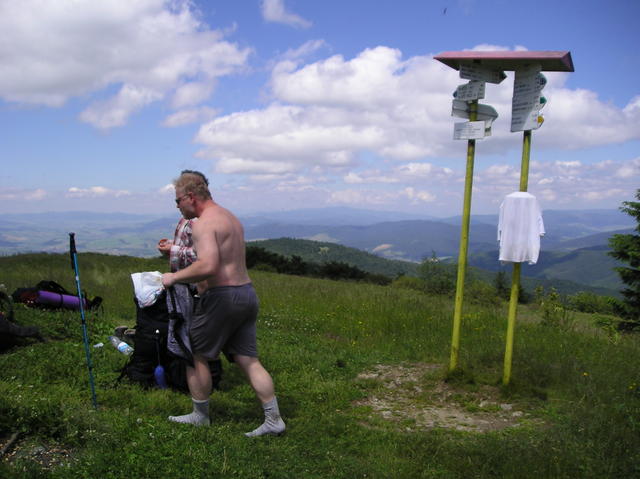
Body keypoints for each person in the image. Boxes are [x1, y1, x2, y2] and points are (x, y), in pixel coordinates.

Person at [161, 171, 285, 437]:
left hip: (223, 297)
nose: (177, 206)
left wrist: (173, 277)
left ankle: (200, 415)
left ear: (191, 197)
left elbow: (208, 265)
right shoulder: (229, 217)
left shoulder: (204, 223)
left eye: (178, 200)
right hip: (246, 294)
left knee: (194, 353)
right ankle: (274, 419)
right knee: (248, 359)